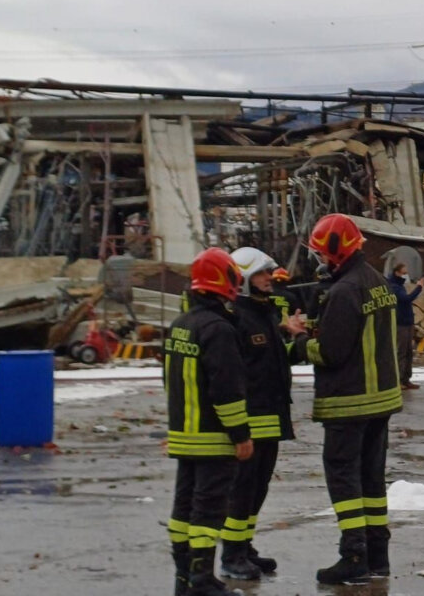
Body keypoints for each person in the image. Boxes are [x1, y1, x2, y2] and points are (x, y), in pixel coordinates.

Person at [302, 213, 403, 585]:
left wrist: (299, 342)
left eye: (320, 253)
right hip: (380, 401)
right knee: (372, 482)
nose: (318, 260)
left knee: (344, 480)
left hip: (349, 401)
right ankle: (378, 556)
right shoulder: (376, 281)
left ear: (333, 252)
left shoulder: (345, 291)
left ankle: (354, 555)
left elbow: (331, 352)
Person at [165, 248, 253, 596]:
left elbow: (169, 383)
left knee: (183, 509)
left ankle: (185, 579)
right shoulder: (218, 329)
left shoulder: (179, 325)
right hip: (214, 439)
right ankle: (202, 581)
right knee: (208, 510)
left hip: (184, 436)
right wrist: (240, 435)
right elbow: (227, 390)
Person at [218, 247, 308, 580]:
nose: (269, 278)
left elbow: (274, 361)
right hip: (251, 420)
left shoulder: (265, 312)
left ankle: (245, 546)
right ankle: (231, 553)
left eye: (268, 272)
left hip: (272, 417)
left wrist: (294, 339)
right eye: (261, 273)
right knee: (242, 489)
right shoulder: (236, 317)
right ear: (242, 279)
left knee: (259, 488)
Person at [387, 262, 424, 390]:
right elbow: (406, 299)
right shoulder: (394, 286)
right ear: (397, 272)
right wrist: (419, 287)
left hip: (407, 322)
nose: (406, 275)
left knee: (409, 352)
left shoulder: (399, 285)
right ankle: (399, 380)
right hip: (401, 323)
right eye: (404, 272)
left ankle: (406, 378)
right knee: (402, 352)